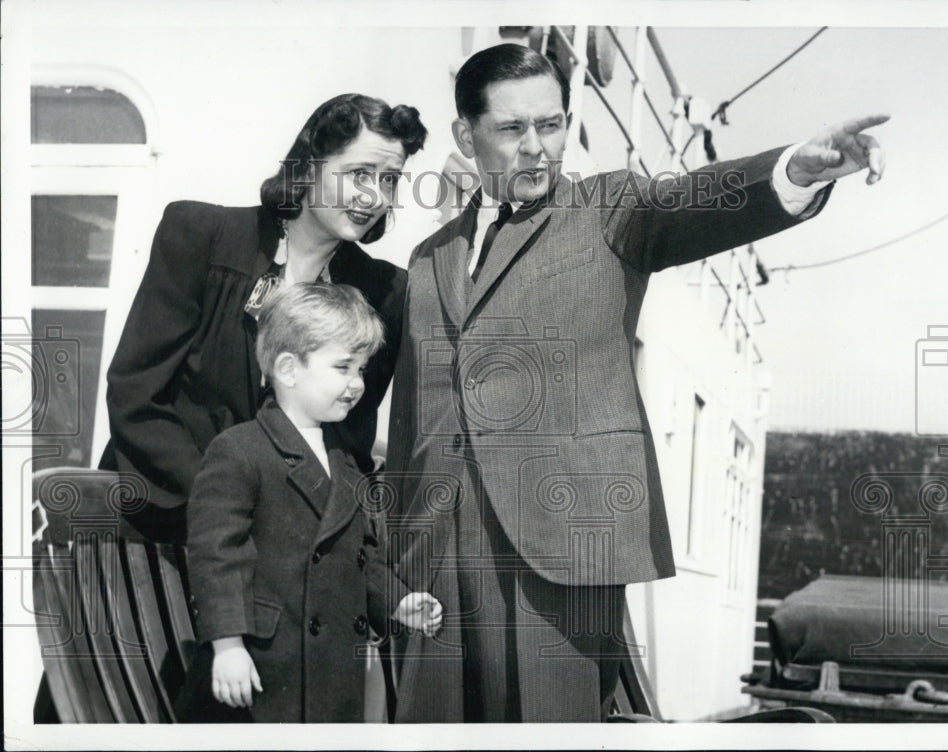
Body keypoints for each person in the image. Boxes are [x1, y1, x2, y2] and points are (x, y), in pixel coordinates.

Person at [384, 43, 888, 722]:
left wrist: (793, 170)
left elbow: (686, 206)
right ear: (466, 136)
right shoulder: (428, 259)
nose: (536, 147)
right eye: (511, 128)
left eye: (551, 125)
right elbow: (412, 419)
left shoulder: (610, 208)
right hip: (436, 558)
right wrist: (400, 560)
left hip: (561, 547)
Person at [100, 93, 427, 541]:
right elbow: (136, 395)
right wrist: (228, 500)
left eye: (389, 179)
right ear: (309, 166)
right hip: (161, 526)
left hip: (283, 540)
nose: (374, 196)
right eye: (358, 174)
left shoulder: (383, 291)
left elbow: (348, 439)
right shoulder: (200, 237)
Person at [176, 283, 443, 723]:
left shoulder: (344, 459)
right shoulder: (240, 450)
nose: (357, 384)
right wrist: (227, 645)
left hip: (330, 672)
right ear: (288, 369)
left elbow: (360, 556)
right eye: (342, 367)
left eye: (361, 369)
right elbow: (216, 556)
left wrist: (396, 601)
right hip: (258, 670)